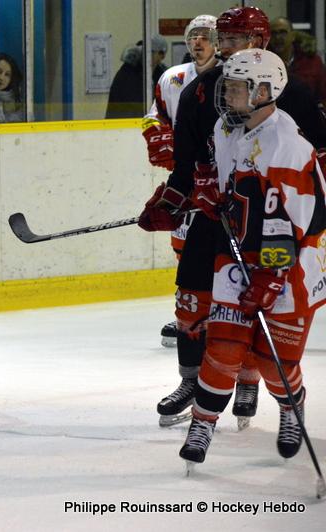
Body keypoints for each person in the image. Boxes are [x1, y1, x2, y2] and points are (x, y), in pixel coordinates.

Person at [138, 6, 326, 430]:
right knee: (190, 300)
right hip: (213, 216)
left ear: (259, 42)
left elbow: (316, 161)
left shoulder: (291, 93)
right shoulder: (199, 92)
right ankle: (191, 381)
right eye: (222, 39)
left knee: (252, 306)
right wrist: (171, 201)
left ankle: (248, 381)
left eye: (235, 39)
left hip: (270, 225)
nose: (225, 47)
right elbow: (187, 165)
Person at [178, 48, 326, 464]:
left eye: (235, 88)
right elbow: (228, 186)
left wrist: (272, 275)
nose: (227, 95)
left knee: (274, 362)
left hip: (290, 267)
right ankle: (202, 424)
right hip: (237, 256)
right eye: (227, 86)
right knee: (223, 348)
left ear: (263, 91)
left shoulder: (287, 146)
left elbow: (299, 219)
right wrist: (207, 193)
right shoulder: (226, 129)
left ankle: (291, 408)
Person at [141, 15, 219, 348]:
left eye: (205, 35)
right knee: (182, 244)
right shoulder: (172, 78)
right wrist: (157, 138)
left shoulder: (229, 77)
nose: (198, 41)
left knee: (221, 249)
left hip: (220, 179)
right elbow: (153, 116)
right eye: (193, 36)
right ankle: (188, 314)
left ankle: (222, 314)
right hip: (186, 177)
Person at [105, 35, 167, 119]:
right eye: (145, 51)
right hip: (124, 122)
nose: (147, 55)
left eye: (152, 52)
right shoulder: (128, 73)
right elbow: (131, 105)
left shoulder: (160, 74)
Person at [269, 17, 326, 105]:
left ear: (293, 36)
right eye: (273, 33)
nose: (277, 37)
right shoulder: (265, 62)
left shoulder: (312, 61)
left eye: (283, 32)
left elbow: (323, 94)